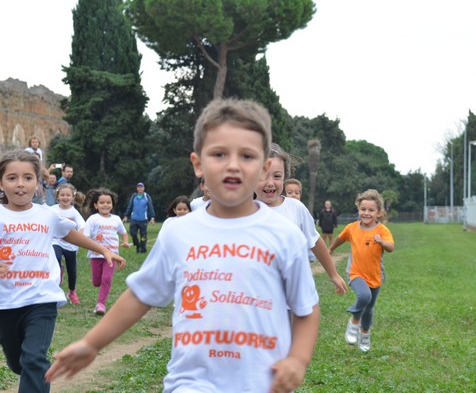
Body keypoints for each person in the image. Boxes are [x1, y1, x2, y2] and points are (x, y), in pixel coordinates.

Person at [45, 98, 320, 393]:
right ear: (198, 164)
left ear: (264, 166)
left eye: (247, 156)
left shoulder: (285, 235)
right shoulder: (178, 232)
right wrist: (91, 343)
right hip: (191, 383)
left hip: (262, 384)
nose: (233, 165)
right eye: (219, 154)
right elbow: (141, 296)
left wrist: (297, 360)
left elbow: (306, 308)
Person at [0, 151, 125, 393]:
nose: (20, 184)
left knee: (34, 360)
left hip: (41, 300)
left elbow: (69, 233)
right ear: (1, 182)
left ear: (38, 182)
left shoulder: (47, 214)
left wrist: (103, 250)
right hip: (5, 302)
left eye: (27, 178)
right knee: (18, 363)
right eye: (12, 178)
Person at [255, 143, 348, 295]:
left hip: (291, 291)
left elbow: (315, 241)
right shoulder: (242, 211)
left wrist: (333, 274)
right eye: (262, 176)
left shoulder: (296, 209)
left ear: (285, 176)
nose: (270, 183)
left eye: (277, 176)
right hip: (255, 294)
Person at [329, 189, 395, 352]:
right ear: (358, 209)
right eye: (363, 209)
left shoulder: (382, 230)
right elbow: (340, 238)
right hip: (355, 273)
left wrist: (382, 242)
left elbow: (391, 247)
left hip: (375, 276)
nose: (366, 213)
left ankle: (364, 335)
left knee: (369, 309)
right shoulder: (352, 228)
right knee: (364, 296)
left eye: (371, 210)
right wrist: (330, 250)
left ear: (379, 213)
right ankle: (354, 321)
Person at [83, 188, 130, 315]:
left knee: (107, 278)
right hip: (96, 255)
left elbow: (124, 232)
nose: (105, 205)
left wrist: (125, 241)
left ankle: (101, 304)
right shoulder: (93, 219)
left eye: (108, 202)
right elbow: (85, 237)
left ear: (112, 205)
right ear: (95, 205)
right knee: (96, 281)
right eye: (102, 202)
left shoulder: (116, 219)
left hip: (112, 256)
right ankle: (99, 289)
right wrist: (92, 246)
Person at [51, 183, 86, 305]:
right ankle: (58, 271)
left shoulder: (74, 212)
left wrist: (80, 234)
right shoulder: (53, 210)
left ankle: (71, 292)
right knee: (55, 256)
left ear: (72, 197)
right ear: (58, 196)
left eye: (68, 195)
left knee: (72, 270)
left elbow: (82, 225)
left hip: (71, 245)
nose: (65, 197)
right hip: (56, 242)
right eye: (62, 195)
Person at [283, 178, 317, 262]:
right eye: (290, 193)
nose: (294, 195)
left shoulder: (302, 210)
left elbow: (312, 235)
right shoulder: (280, 211)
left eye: (296, 193)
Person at [122, 182, 155, 253]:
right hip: (134, 219)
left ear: (143, 188)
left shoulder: (146, 196)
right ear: (137, 188)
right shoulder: (134, 196)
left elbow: (150, 207)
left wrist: (152, 217)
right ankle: (137, 245)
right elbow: (130, 206)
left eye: (141, 187)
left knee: (143, 236)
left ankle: (143, 249)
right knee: (133, 233)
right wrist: (126, 215)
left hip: (143, 220)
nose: (140, 188)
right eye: (138, 187)